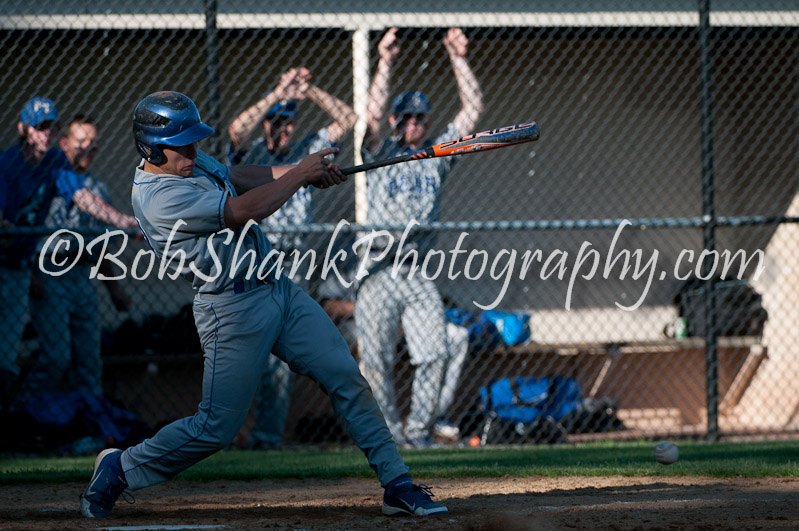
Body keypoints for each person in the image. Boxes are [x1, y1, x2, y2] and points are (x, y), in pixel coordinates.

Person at [79, 91, 447, 518]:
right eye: (182, 143)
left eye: (194, 140)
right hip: (230, 309)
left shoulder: (190, 162)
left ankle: (397, 483)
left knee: (346, 375)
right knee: (216, 427)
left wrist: (301, 172)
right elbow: (244, 208)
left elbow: (239, 176)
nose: (193, 150)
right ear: (151, 148)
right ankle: (120, 467)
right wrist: (299, 175)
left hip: (279, 289)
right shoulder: (159, 196)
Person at [355, 27, 484, 447]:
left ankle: (417, 432)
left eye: (420, 118)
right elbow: (371, 118)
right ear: (397, 121)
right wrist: (386, 61)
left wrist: (458, 57)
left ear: (427, 122)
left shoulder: (437, 156)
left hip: (416, 271)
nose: (413, 123)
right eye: (406, 117)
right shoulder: (380, 151)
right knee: (375, 361)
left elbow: (473, 110)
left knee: (435, 353)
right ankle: (389, 435)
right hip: (377, 268)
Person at [227, 67, 357, 449]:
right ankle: (237, 431)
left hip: (296, 265)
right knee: (252, 356)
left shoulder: (306, 152)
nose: (283, 130)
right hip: (256, 261)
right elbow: (236, 130)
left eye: (289, 123)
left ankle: (267, 439)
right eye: (277, 123)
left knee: (283, 361)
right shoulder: (252, 154)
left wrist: (309, 90)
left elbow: (347, 120)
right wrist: (276, 92)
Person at [0, 97, 138, 407]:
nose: (45, 133)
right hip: (38, 269)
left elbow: (88, 212)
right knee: (48, 357)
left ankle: (80, 422)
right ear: (24, 129)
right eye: (39, 127)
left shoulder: (65, 171)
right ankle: (21, 416)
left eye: (51, 126)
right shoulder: (12, 164)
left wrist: (123, 221)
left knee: (81, 359)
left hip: (50, 271)